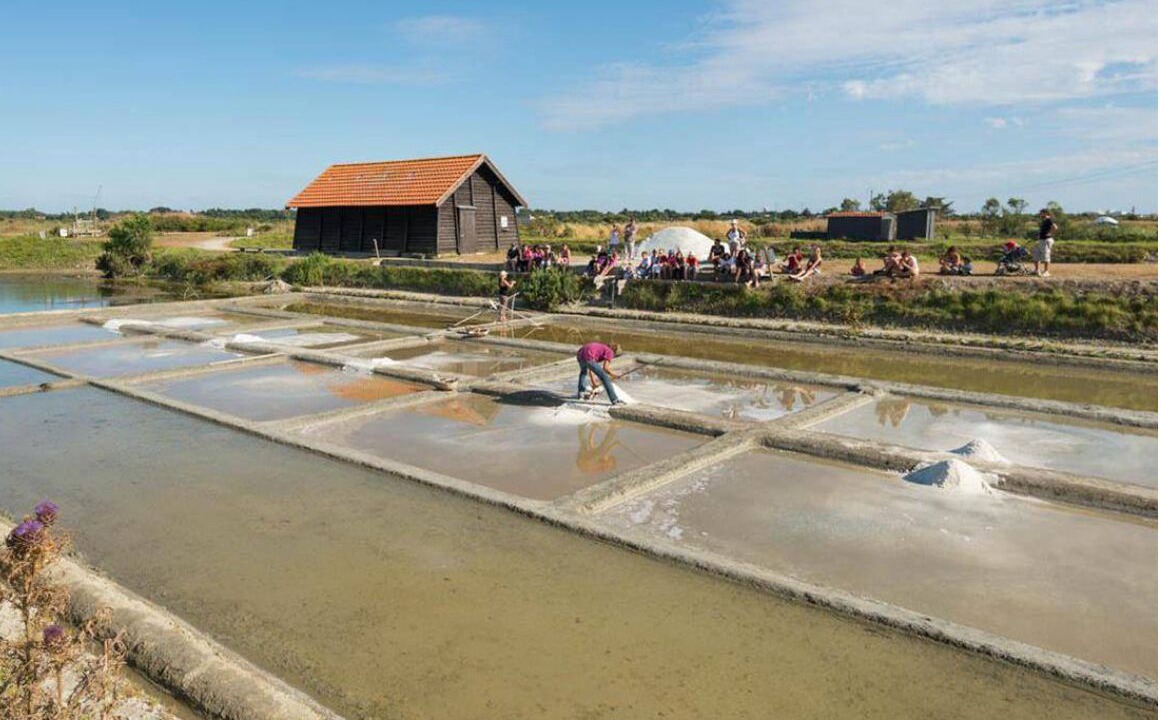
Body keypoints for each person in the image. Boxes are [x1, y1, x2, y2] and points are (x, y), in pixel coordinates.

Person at [1035, 208, 1057, 277]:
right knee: (1036, 254)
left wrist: (1050, 233)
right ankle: (1037, 270)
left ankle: (1046, 271)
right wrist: (1039, 235)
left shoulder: (1049, 219)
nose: (1040, 214)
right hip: (1041, 240)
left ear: (1045, 213)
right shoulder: (1044, 220)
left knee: (1045, 255)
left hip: (1046, 240)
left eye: (1041, 213)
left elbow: (1055, 227)